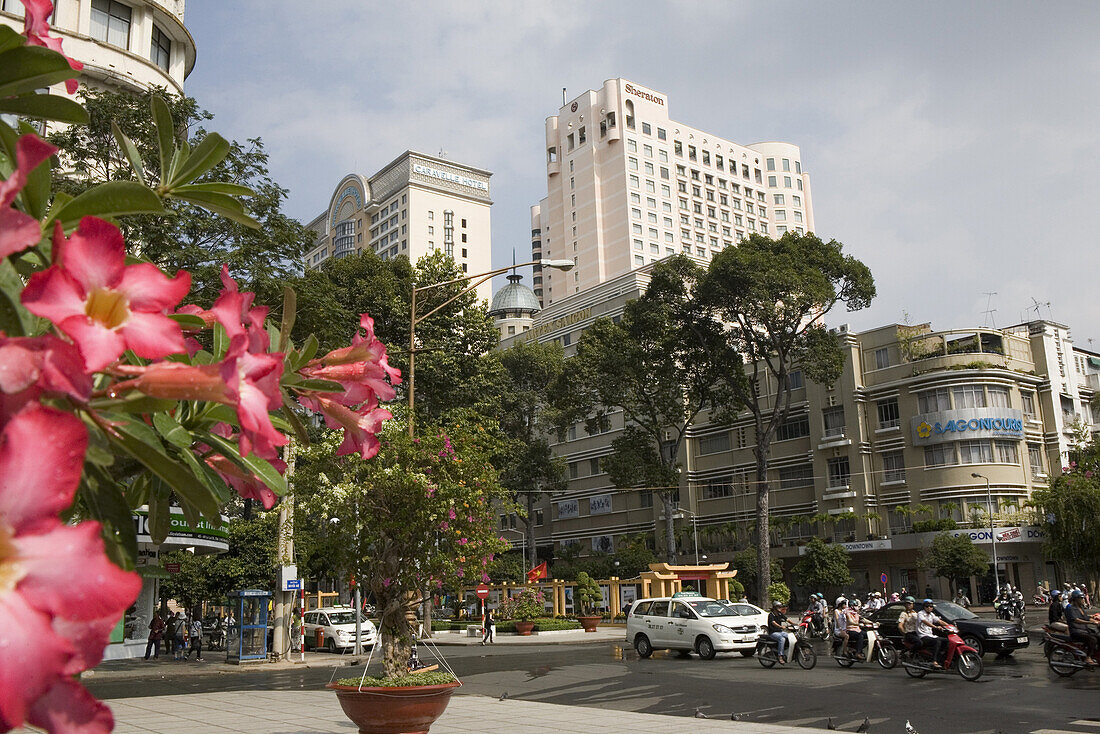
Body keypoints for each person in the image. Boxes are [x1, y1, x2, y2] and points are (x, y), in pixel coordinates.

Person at [1065, 589, 1098, 665]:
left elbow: (1086, 618)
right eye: (1081, 598)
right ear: (1076, 599)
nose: (1083, 600)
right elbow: (1076, 620)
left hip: (1084, 630)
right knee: (1093, 639)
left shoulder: (1081, 608)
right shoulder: (1071, 608)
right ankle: (1088, 657)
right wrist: (1090, 622)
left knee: (1097, 636)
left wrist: (1096, 620)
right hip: (1076, 631)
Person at [916, 599, 949, 668]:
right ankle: (934, 661)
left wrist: (949, 626)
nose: (929, 608)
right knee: (937, 641)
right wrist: (935, 627)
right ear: (924, 607)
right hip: (923, 636)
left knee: (947, 641)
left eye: (931, 606)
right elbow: (925, 622)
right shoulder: (920, 614)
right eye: (927, 606)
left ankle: (941, 658)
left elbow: (939, 621)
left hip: (931, 635)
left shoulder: (931, 615)